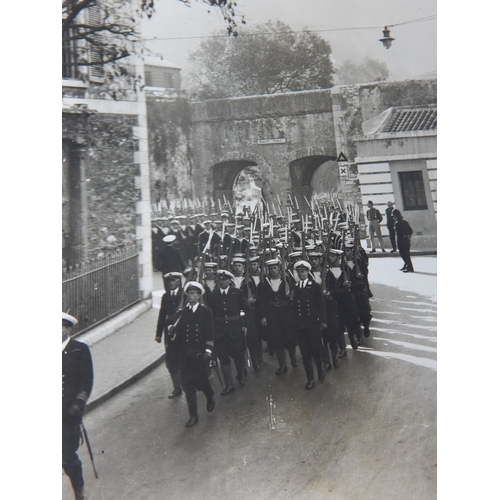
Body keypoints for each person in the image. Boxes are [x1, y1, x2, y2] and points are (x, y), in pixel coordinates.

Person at [166, 281, 216, 427]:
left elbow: (210, 332)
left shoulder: (206, 312)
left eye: (194, 293)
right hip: (184, 355)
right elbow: (175, 329)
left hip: (199, 355)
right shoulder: (182, 314)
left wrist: (208, 350)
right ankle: (193, 415)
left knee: (201, 382)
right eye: (188, 293)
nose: (190, 296)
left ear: (199, 296)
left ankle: (210, 395)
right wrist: (171, 330)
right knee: (187, 385)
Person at [62, 312, 94, 500]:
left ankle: (78, 490)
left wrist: (78, 403)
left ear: (68, 328)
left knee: (67, 455)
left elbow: (86, 380)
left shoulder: (79, 349)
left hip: (69, 413)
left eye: (61, 327)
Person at [207, 269, 251, 394]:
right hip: (220, 332)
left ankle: (241, 375)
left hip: (235, 330)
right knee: (223, 358)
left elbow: (247, 310)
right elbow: (210, 315)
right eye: (220, 280)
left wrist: (245, 325)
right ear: (218, 281)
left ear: (230, 280)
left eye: (225, 279)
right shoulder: (213, 296)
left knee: (238, 355)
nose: (223, 282)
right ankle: (229, 384)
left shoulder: (237, 293)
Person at [290, 260, 327, 390]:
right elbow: (293, 308)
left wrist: (322, 321)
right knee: (305, 353)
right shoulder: (294, 288)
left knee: (316, 350)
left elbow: (321, 304)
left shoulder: (315, 286)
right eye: (299, 272)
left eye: (303, 271)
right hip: (300, 326)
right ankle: (310, 379)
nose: (301, 274)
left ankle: (320, 368)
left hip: (313, 324)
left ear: (308, 272)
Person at [259, 258, 298, 375]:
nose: (273, 270)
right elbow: (263, 301)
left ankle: (293, 358)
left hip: (286, 313)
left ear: (279, 268)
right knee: (277, 338)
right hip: (272, 314)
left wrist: (290, 297)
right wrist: (264, 316)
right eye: (270, 268)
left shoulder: (287, 280)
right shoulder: (265, 282)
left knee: (289, 336)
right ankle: (282, 365)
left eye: (275, 267)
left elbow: (294, 297)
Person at [155, 272, 184, 398]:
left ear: (179, 281)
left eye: (174, 281)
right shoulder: (166, 297)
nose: (171, 283)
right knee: (171, 360)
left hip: (183, 332)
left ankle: (187, 384)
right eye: (169, 281)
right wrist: (159, 334)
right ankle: (177, 387)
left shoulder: (184, 295)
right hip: (170, 332)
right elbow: (162, 315)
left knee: (184, 358)